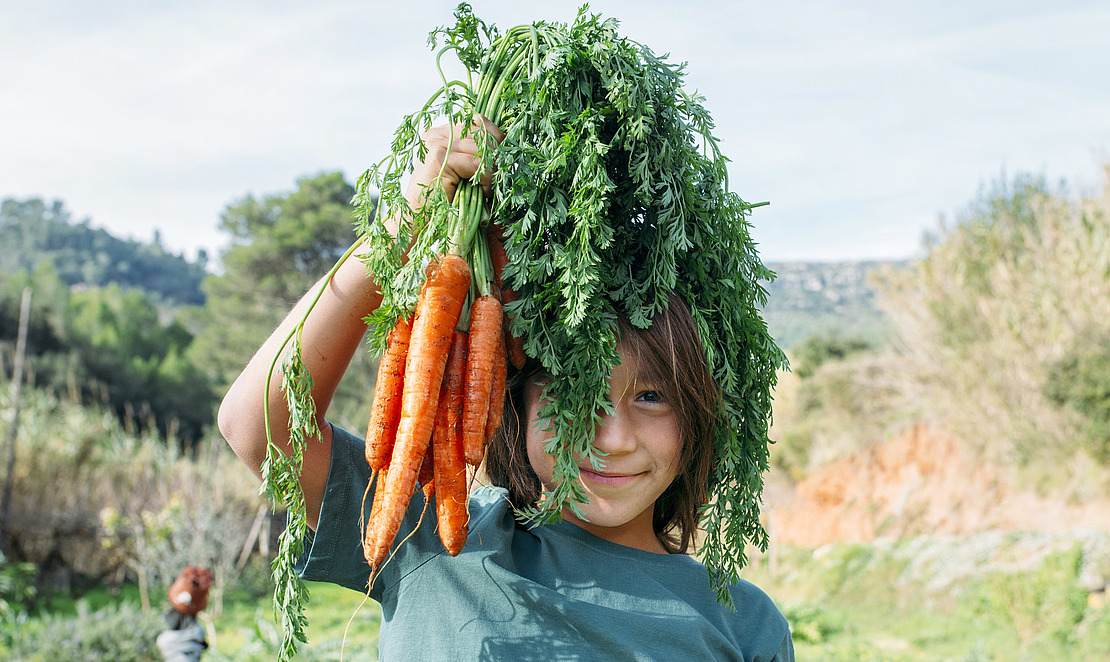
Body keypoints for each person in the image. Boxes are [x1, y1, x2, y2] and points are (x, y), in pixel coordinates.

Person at [218, 118, 794, 661]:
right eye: (576, 394)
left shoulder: (744, 623)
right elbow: (258, 423)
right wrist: (397, 234)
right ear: (515, 405)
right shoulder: (431, 542)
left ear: (699, 410)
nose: (613, 439)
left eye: (651, 396)